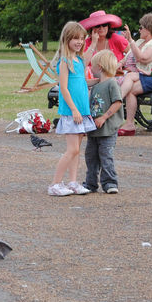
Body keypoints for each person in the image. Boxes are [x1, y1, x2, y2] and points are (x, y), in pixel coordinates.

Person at [48, 21, 96, 197]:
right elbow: (64, 88)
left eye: (82, 38)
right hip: (72, 112)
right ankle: (55, 183)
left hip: (82, 112)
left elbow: (81, 82)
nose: (79, 41)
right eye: (75, 38)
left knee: (77, 149)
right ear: (67, 39)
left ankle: (73, 181)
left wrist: (98, 81)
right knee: (72, 150)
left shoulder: (79, 60)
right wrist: (74, 110)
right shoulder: (64, 61)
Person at [84, 50, 124, 194]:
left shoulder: (112, 83)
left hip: (108, 129)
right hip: (94, 130)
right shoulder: (96, 85)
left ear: (99, 67)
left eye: (92, 66)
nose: (91, 69)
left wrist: (104, 117)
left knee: (106, 156)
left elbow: (117, 102)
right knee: (91, 157)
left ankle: (110, 183)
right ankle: (90, 183)